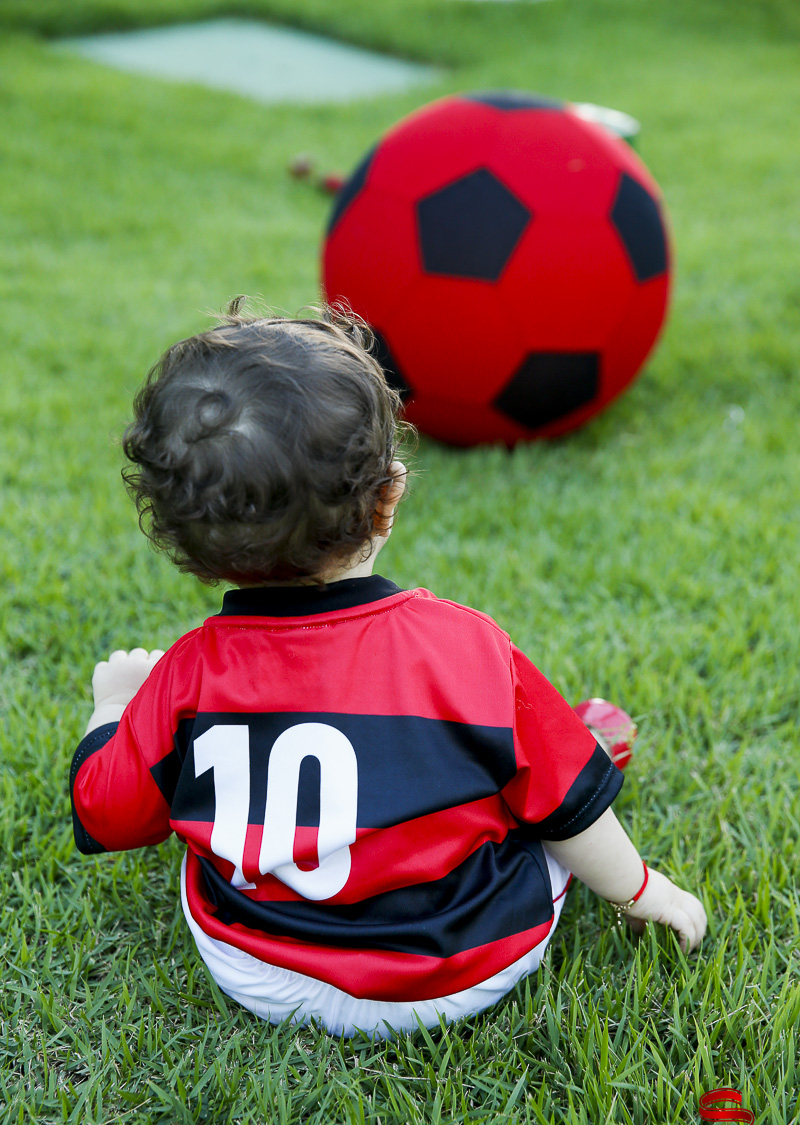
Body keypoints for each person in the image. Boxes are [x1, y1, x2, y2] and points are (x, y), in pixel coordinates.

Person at [70, 302, 707, 1038]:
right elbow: (570, 814)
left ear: (188, 546)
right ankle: (585, 742)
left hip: (258, 969)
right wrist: (641, 890)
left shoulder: (184, 676)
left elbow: (106, 818)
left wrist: (114, 707)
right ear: (389, 496)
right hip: (460, 969)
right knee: (549, 789)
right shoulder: (464, 647)